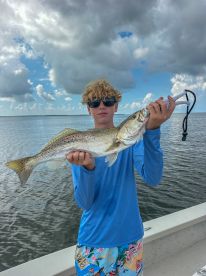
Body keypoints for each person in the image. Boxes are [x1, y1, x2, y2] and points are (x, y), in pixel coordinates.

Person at [66, 79, 175, 275]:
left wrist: (152, 131)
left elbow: (153, 178)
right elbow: (85, 202)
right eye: (94, 102)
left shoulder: (132, 142)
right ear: (88, 109)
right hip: (94, 240)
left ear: (116, 106)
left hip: (131, 239)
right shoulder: (80, 148)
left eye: (108, 101)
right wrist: (87, 169)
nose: (101, 106)